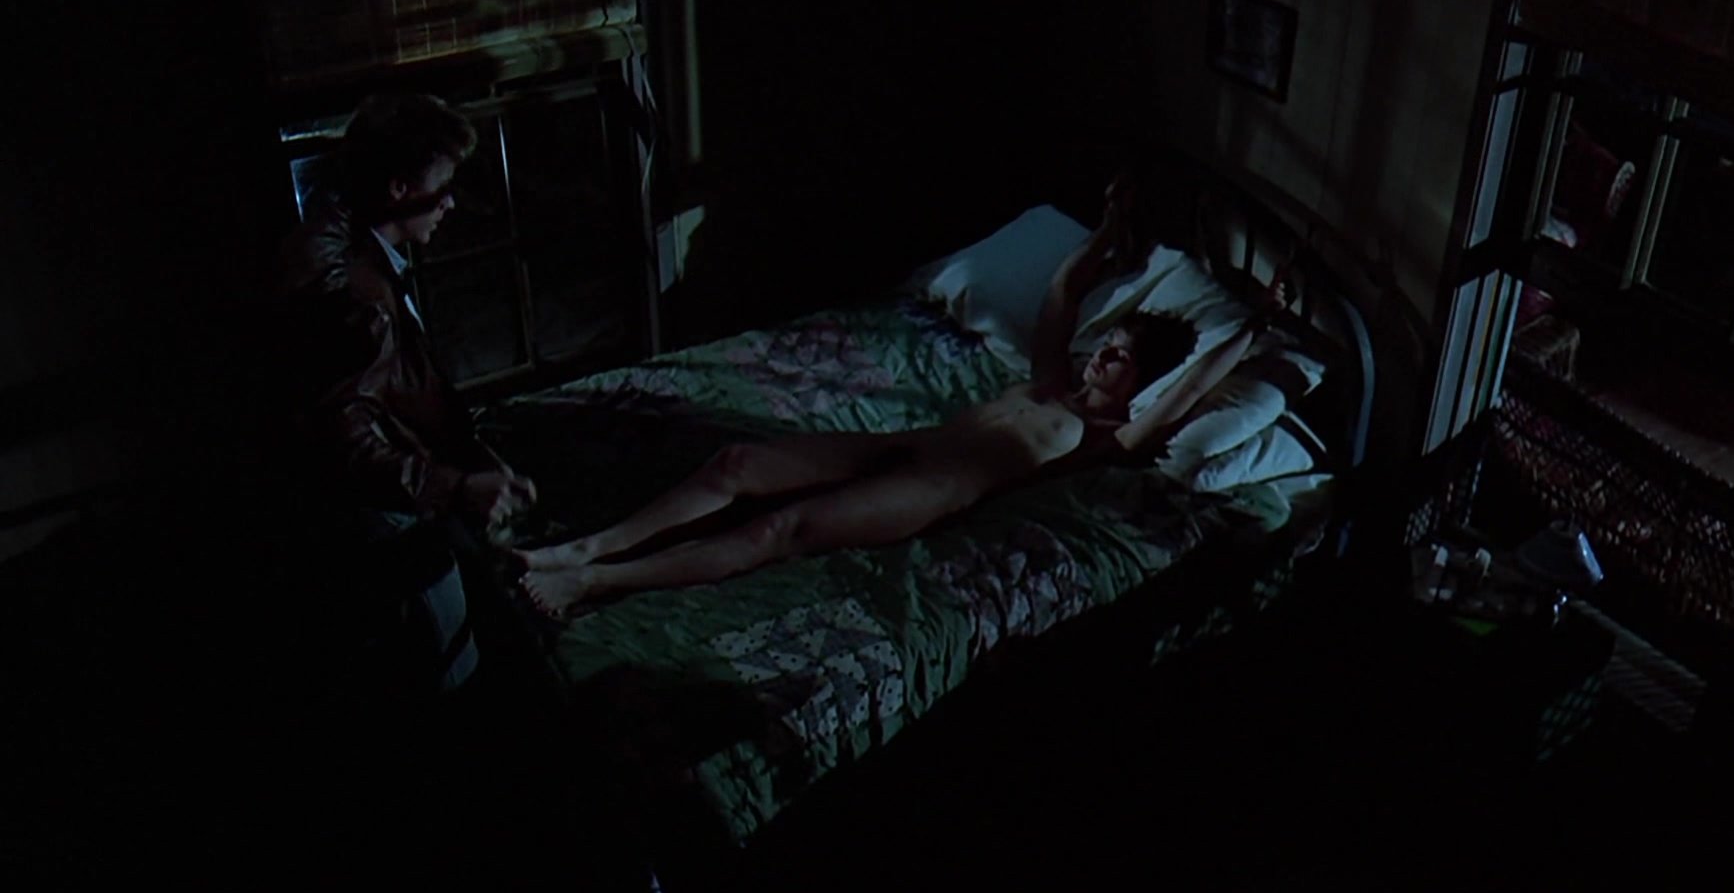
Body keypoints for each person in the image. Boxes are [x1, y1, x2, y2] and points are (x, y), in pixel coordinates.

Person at [516, 179, 1282, 618]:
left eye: (1121, 357)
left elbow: (1185, 394)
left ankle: (591, 582)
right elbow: (1062, 289)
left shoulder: (1107, 437)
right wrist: (1111, 226)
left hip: (931, 492)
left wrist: (1253, 328)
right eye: (1109, 342)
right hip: (904, 445)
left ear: (1138, 381)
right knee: (737, 463)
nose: (1105, 353)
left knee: (780, 529)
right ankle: (584, 546)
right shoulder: (1050, 378)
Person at [278, 92, 538, 694]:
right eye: (442, 188)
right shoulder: (358, 299)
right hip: (387, 525)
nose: (450, 203)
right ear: (399, 189)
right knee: (459, 673)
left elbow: (402, 390)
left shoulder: (353, 246)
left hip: (403, 503)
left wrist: (471, 459)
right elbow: (345, 442)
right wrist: (454, 487)